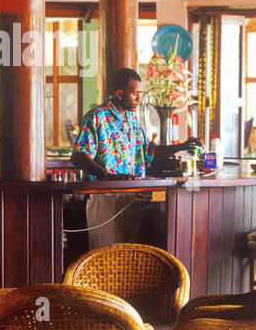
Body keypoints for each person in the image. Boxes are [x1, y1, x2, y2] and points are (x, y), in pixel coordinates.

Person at [72, 68, 197, 248]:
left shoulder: (131, 120)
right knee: (106, 261)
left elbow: (149, 151)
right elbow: (79, 156)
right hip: (105, 196)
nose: (139, 98)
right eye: (135, 93)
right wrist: (107, 176)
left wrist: (183, 145)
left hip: (131, 197)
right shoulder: (97, 117)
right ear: (120, 93)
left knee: (127, 262)